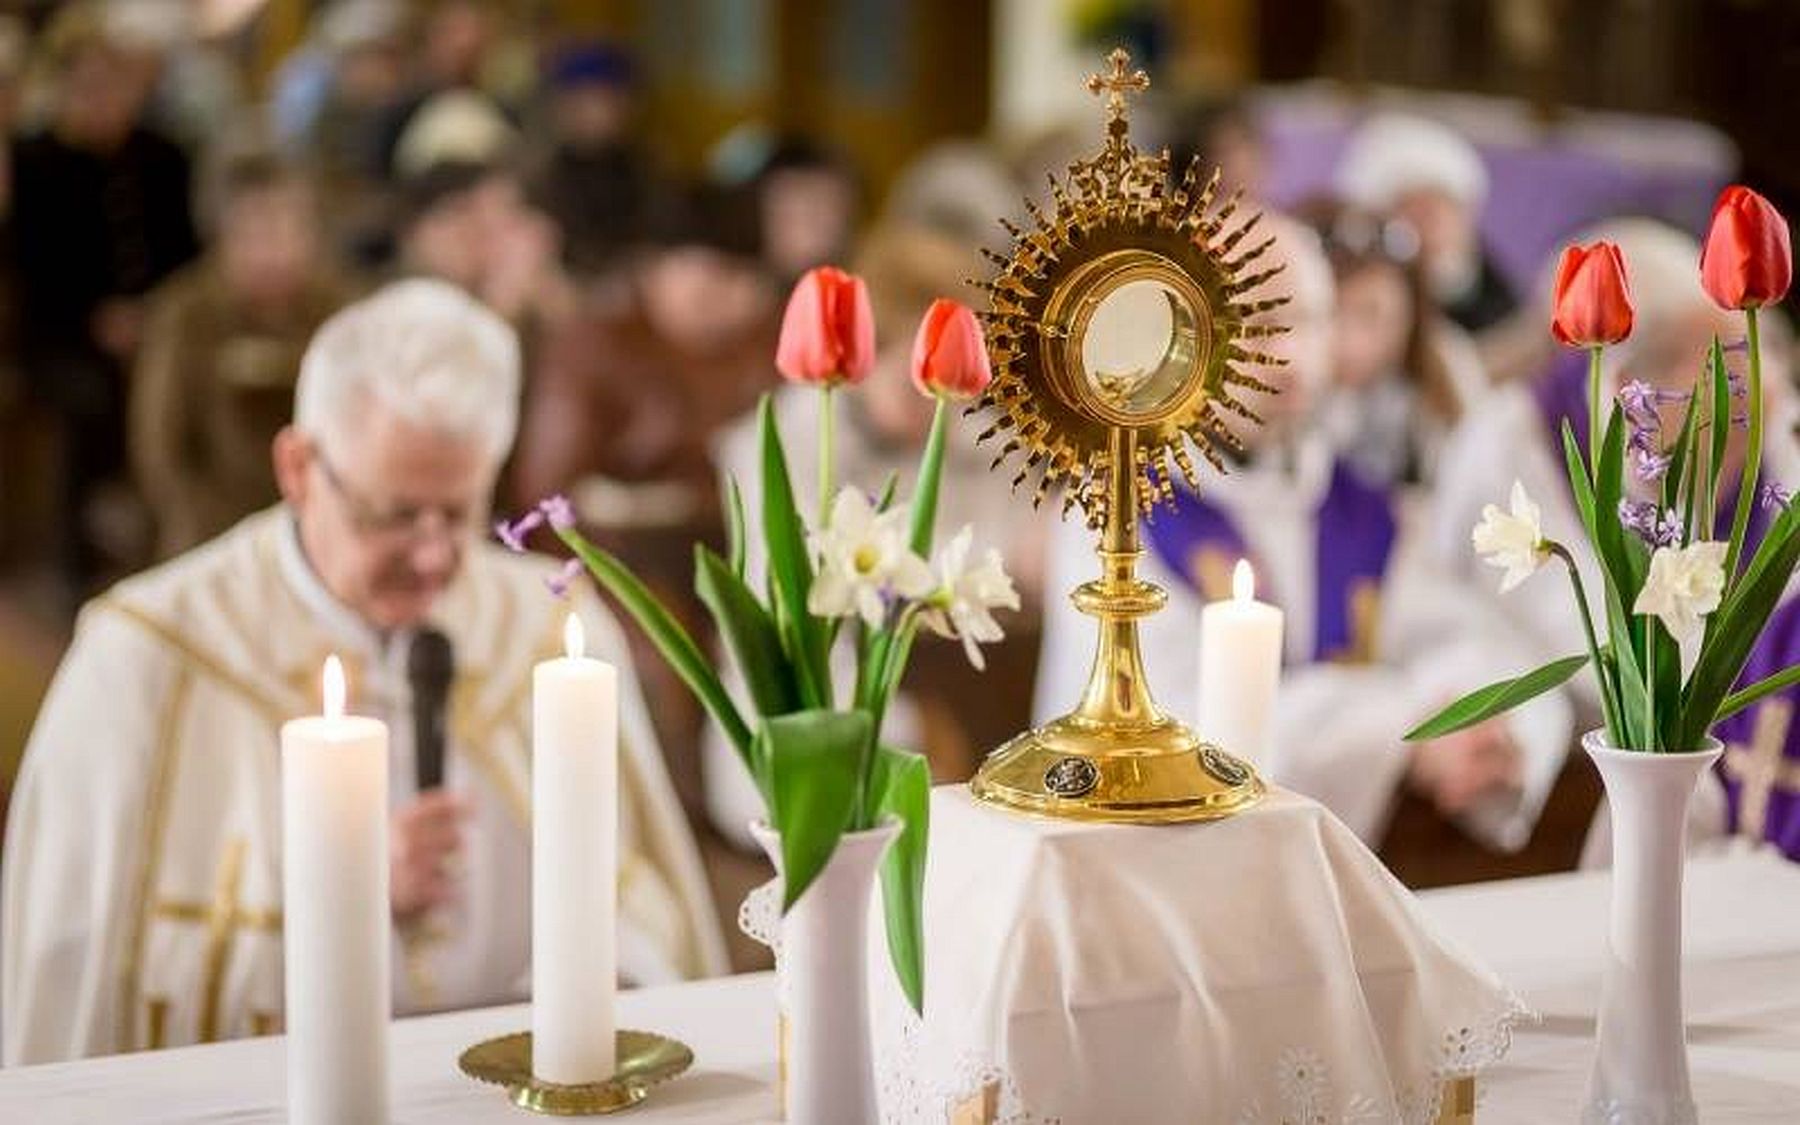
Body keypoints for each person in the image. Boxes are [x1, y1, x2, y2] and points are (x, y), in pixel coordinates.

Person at [1, 280, 727, 1065]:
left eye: (458, 511)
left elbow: (649, 908)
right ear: (298, 465)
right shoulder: (146, 657)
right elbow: (86, 992)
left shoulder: (545, 626)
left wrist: (607, 977)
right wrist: (346, 894)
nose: (432, 556)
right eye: (393, 513)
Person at [1032, 215, 1573, 850]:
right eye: (1258, 325)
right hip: (1144, 870)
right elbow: (1165, 734)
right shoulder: (1119, 512)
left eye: (1310, 320)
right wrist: (1410, 725)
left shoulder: (1358, 510)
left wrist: (1490, 732)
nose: (1289, 356)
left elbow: (1482, 646)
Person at [13, 4, 200, 596]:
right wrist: (97, 321)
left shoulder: (162, 156)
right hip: (66, 335)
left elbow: (185, 258)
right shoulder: (36, 161)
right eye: (89, 84)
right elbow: (33, 271)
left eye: (116, 82)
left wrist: (154, 316)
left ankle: (171, 538)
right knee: (88, 399)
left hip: (159, 325)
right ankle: (79, 558)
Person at [131, 152, 358, 558]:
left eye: (289, 231)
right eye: (255, 235)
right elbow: (160, 447)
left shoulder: (339, 309)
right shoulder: (185, 313)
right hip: (214, 524)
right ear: (222, 239)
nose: (274, 253)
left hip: (324, 517)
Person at [1302, 200, 1486, 486]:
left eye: (1372, 314)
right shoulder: (1284, 387)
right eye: (1334, 311)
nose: (1350, 338)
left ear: (1410, 318)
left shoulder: (1443, 371)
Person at [1335, 112, 1517, 336]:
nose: (1436, 227)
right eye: (1419, 211)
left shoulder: (1486, 283)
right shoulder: (1363, 288)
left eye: (1448, 210)